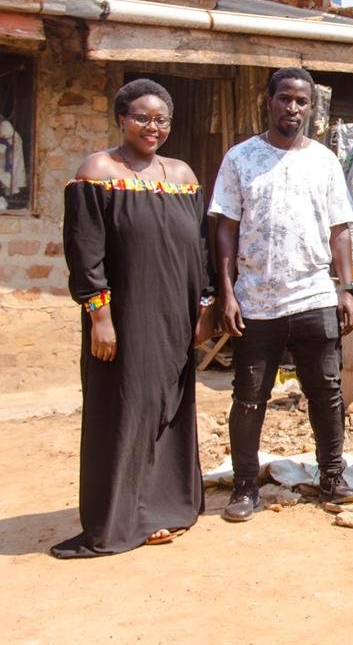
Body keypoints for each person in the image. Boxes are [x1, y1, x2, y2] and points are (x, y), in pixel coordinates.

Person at [54, 78, 213, 558]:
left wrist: (204, 307)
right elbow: (85, 252)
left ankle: (164, 509)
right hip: (123, 317)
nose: (153, 127)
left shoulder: (182, 176)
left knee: (168, 408)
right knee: (123, 411)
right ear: (121, 118)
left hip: (175, 319)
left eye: (161, 119)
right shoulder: (97, 171)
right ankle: (117, 519)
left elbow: (200, 249)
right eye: (142, 117)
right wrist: (99, 315)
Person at [210, 67, 353, 523]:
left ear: (311, 109)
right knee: (249, 395)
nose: (293, 108)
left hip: (314, 295)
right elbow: (225, 229)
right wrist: (227, 292)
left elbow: (340, 232)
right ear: (269, 101)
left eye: (302, 101)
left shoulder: (325, 162)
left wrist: (347, 287)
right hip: (256, 300)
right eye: (285, 99)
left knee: (326, 392)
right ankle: (244, 487)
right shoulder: (240, 158)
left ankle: (332, 476)